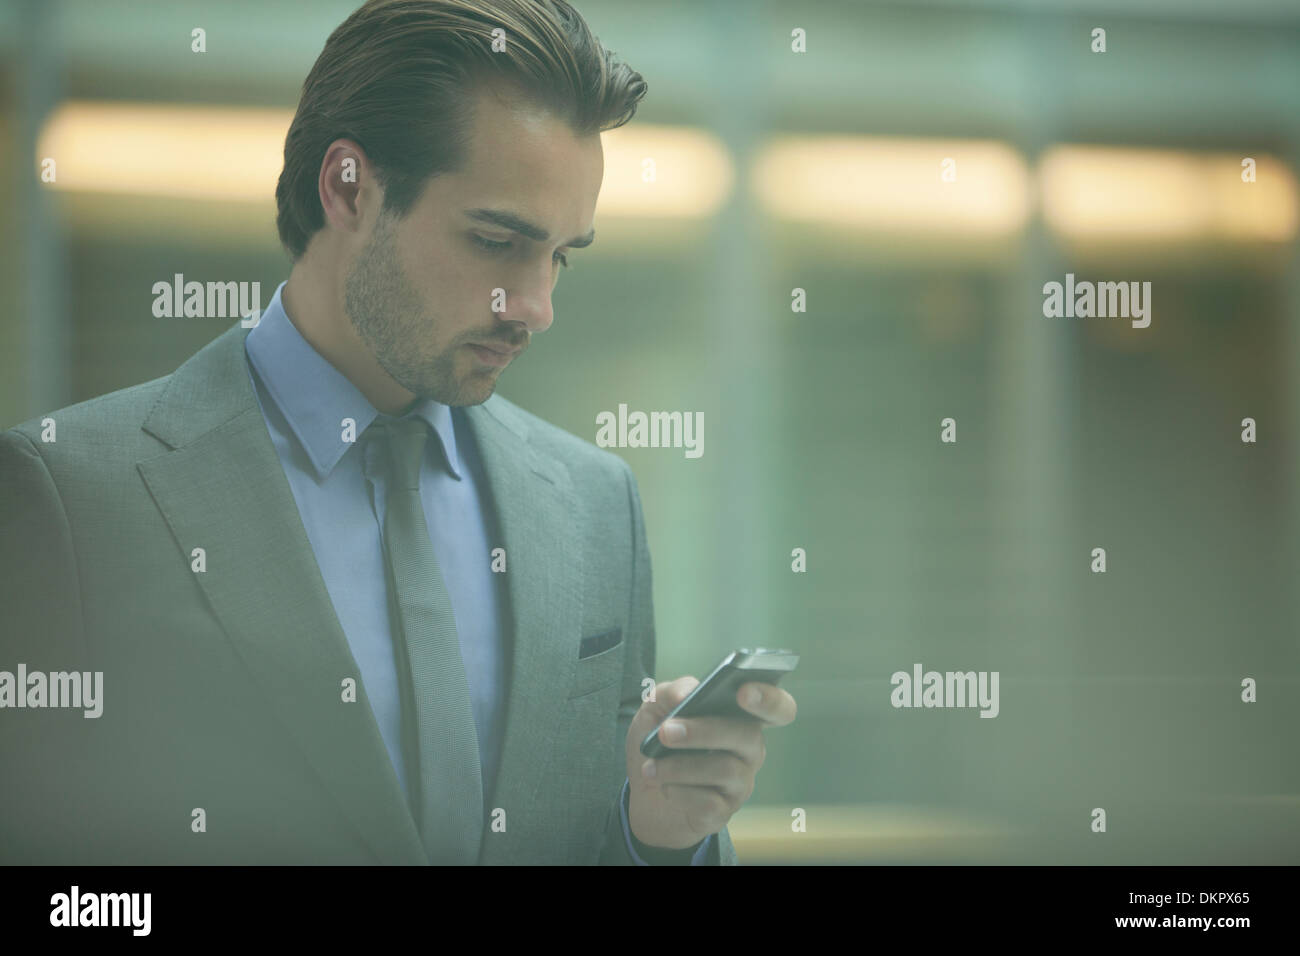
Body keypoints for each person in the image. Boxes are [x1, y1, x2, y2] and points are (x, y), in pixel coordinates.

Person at [0, 0, 796, 865]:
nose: (536, 307)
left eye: (561, 255)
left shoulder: (599, 508)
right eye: (497, 241)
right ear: (348, 188)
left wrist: (659, 836)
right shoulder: (73, 496)